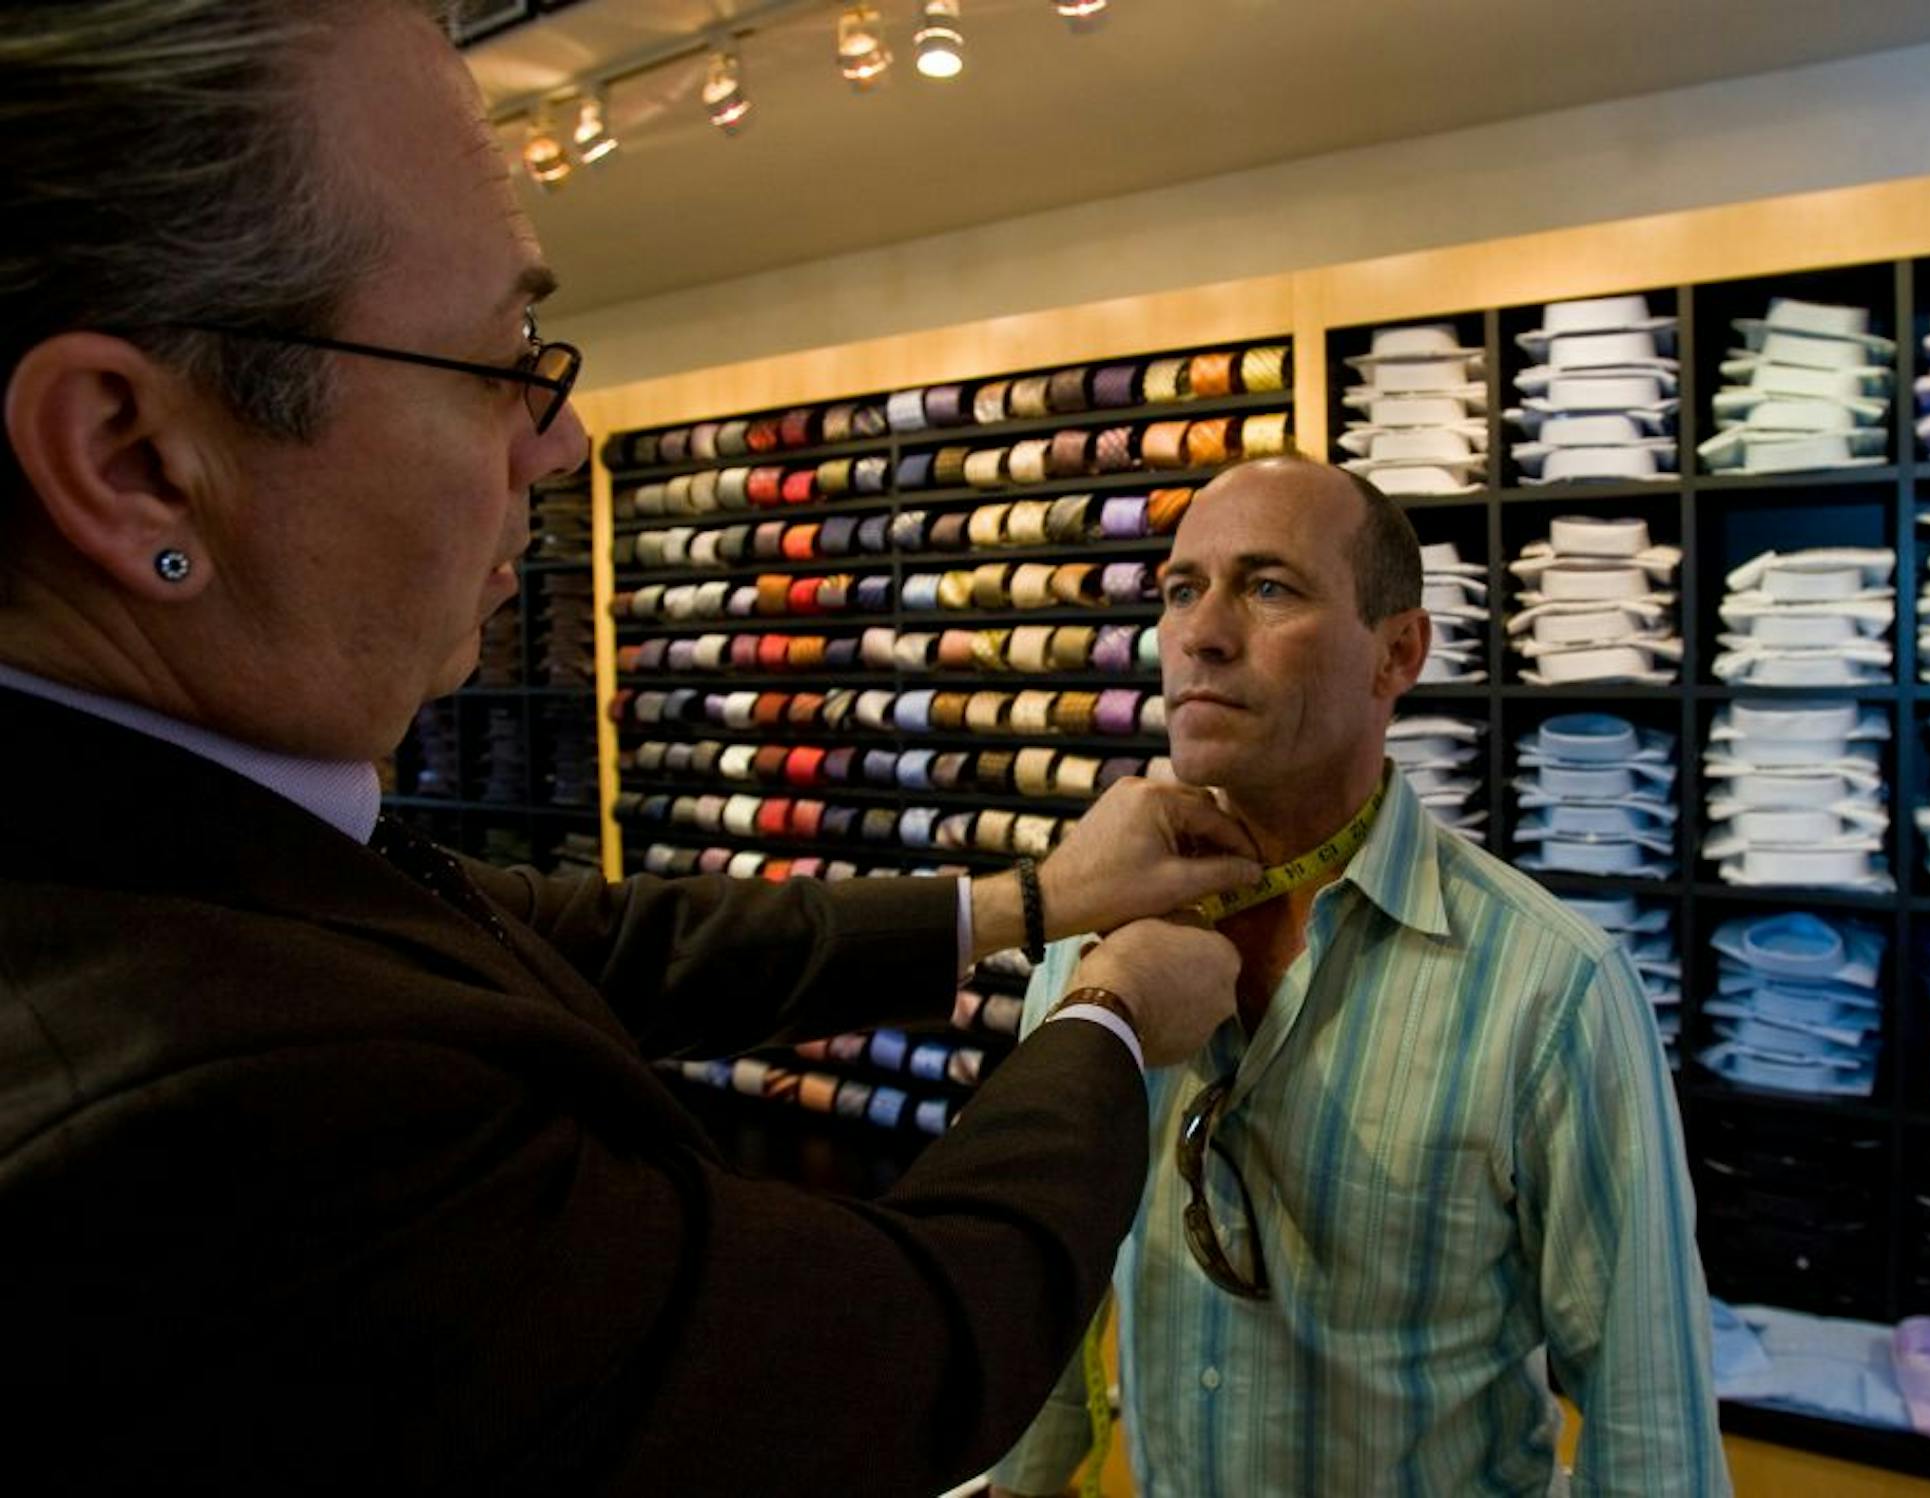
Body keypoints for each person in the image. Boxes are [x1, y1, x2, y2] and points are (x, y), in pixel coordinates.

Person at [0, 2, 1263, 1491]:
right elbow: (886, 1351)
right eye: (497, 363)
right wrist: (1106, 1016)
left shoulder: (173, 845)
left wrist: (1028, 904)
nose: (567, 442)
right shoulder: (226, 1106)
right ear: (134, 460)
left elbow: (596, 936)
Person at [992, 457, 1728, 1496]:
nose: (1200, 632)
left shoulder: (1549, 988)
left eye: (1268, 587)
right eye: (1179, 589)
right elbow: (1046, 1287)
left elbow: (1646, 1419)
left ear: (1397, 653)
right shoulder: (1089, 945)